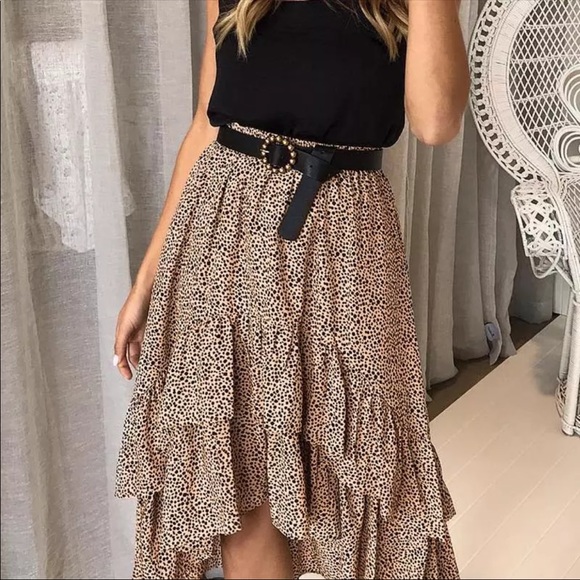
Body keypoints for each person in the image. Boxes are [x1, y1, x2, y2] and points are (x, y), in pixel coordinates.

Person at [113, 0, 470, 578]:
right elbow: (205, 124)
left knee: (367, 473)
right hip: (224, 232)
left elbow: (436, 121)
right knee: (239, 479)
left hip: (347, 243)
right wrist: (145, 282)